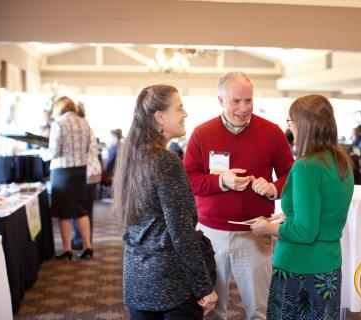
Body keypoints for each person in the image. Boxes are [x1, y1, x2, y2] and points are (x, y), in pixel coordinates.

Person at [183, 72, 294, 320]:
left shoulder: (272, 132)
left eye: (248, 100)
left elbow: (291, 174)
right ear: (221, 100)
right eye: (236, 101)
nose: (243, 108)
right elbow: (188, 178)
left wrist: (274, 187)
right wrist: (221, 181)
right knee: (212, 309)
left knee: (260, 310)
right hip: (210, 234)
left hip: (255, 232)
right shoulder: (202, 133)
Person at [112, 85, 217, 319]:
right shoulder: (165, 161)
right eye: (179, 108)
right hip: (171, 283)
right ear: (159, 117)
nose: (185, 113)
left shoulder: (132, 156)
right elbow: (181, 232)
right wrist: (204, 287)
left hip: (138, 277)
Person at [251, 94, 354, 319]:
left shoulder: (306, 167)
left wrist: (267, 229)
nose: (290, 129)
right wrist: (287, 215)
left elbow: (305, 232)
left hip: (299, 267)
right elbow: (324, 211)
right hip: (329, 264)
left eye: (290, 122)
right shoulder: (341, 162)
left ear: (303, 125)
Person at [48, 96, 93, 259]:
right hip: (80, 170)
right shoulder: (84, 122)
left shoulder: (58, 123)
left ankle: (67, 249)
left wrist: (42, 155)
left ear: (59, 108)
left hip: (62, 171)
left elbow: (54, 152)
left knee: (64, 212)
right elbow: (90, 146)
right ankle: (88, 246)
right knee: (80, 209)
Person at [71, 102, 102, 250]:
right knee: (87, 209)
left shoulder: (79, 128)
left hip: (84, 172)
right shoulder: (87, 126)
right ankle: (85, 240)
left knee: (78, 208)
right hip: (94, 171)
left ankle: (80, 240)